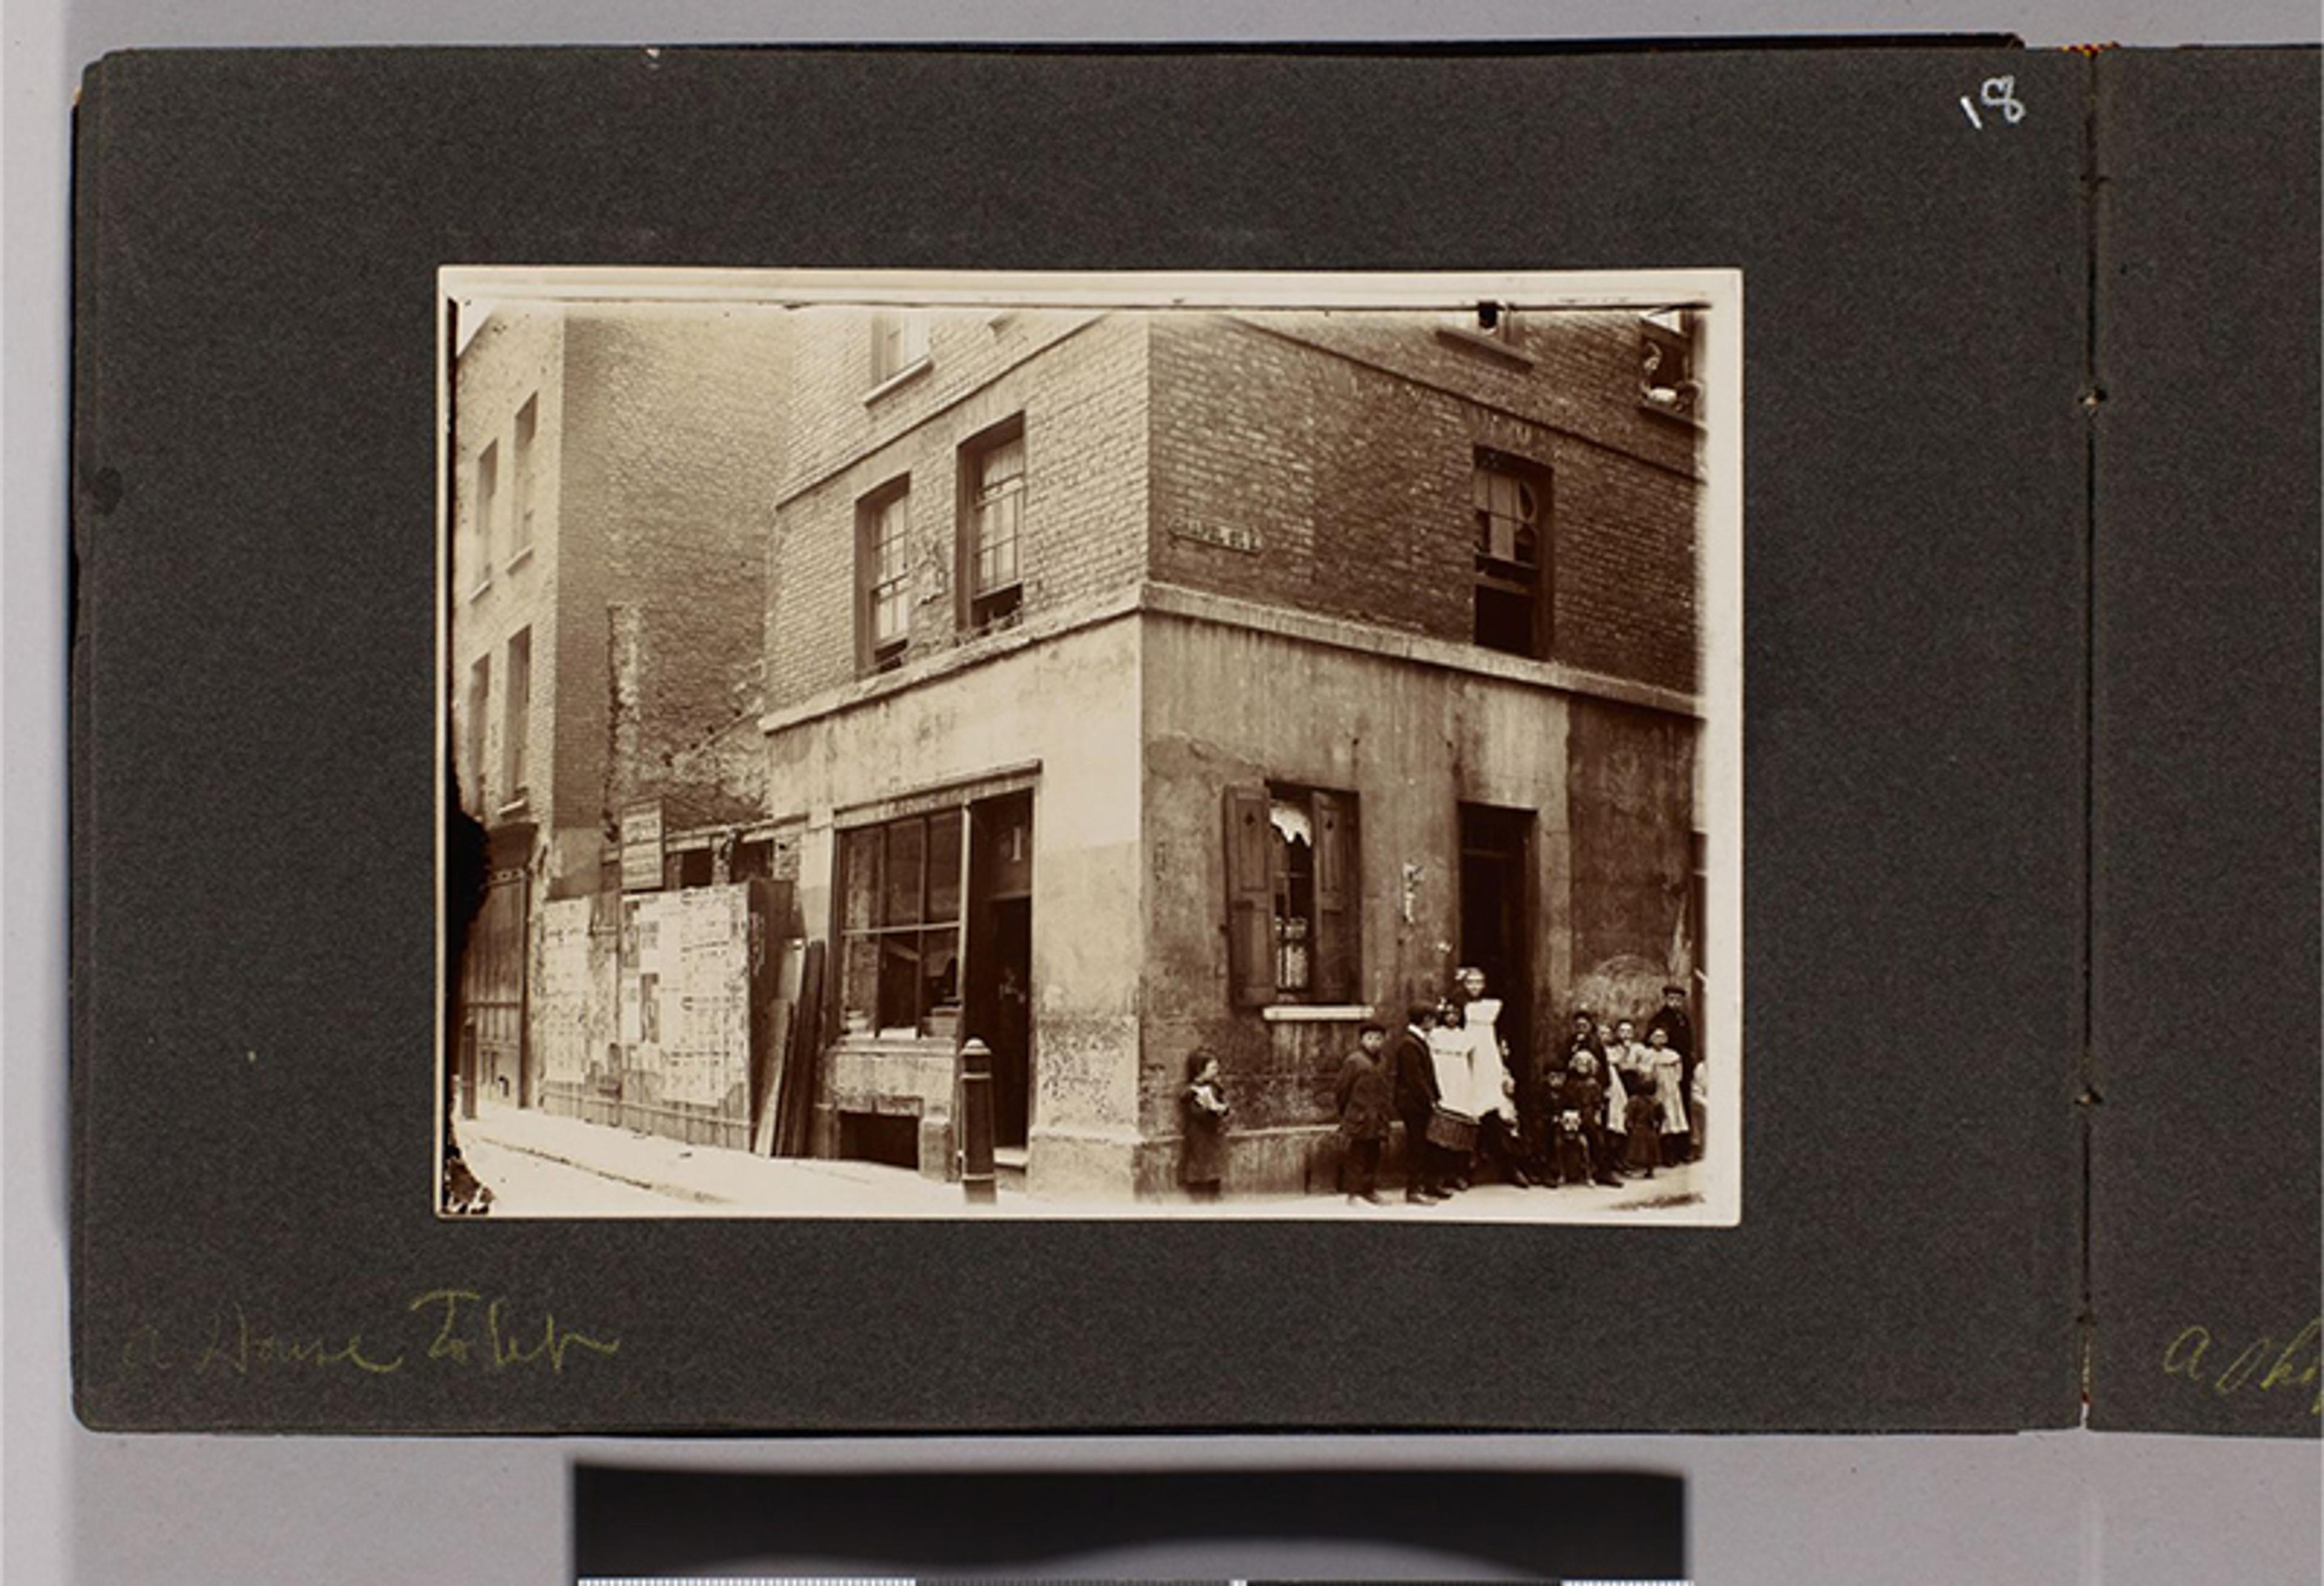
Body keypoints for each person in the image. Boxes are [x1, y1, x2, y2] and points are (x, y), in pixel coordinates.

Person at [1455, 966, 1529, 1188]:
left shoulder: (1493, 1007)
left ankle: (1510, 1166)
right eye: (1470, 983)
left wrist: (1503, 1059)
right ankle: (1464, 1170)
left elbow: (1501, 1036)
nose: (1475, 987)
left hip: (1489, 1059)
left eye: (1479, 982)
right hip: (1468, 1060)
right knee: (1468, 1113)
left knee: (1499, 1112)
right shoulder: (1459, 1007)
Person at [1389, 1002, 1450, 1203]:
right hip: (1413, 1105)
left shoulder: (1417, 1041)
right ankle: (1414, 1190)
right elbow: (1415, 1079)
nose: (1434, 1022)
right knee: (1417, 1146)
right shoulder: (1410, 1044)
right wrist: (1431, 1101)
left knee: (1427, 1144)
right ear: (1425, 1020)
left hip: (1419, 1103)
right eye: (1432, 1019)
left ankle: (1429, 1185)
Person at [1335, 1023, 1393, 1205]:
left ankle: (1369, 1190)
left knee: (1373, 1155)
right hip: (1359, 1117)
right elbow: (1342, 1090)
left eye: (1378, 1038)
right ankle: (1354, 1194)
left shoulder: (1383, 1062)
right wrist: (1349, 1112)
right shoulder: (1355, 1061)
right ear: (1361, 1040)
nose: (1374, 1043)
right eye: (1370, 1038)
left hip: (1378, 1118)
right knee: (1357, 1156)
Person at [1180, 1049, 1230, 1201]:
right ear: (1200, 1070)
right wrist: (1209, 1110)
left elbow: (1223, 1103)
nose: (1217, 1071)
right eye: (1213, 1068)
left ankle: (1214, 1192)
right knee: (1199, 1166)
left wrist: (1223, 1109)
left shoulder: (1215, 1087)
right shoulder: (1191, 1092)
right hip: (1198, 1134)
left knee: (1214, 1166)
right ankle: (1200, 1196)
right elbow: (1194, 1113)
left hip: (1212, 1133)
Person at [1649, 1026, 1691, 1167]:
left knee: (1673, 1119)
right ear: (1650, 1039)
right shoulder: (1648, 1054)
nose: (1659, 1040)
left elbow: (1679, 1074)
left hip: (1671, 1090)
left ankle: (1675, 1154)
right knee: (1661, 1120)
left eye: (1662, 1037)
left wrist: (1672, 1084)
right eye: (1656, 1037)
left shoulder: (1673, 1055)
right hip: (1656, 1089)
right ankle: (1659, 1155)